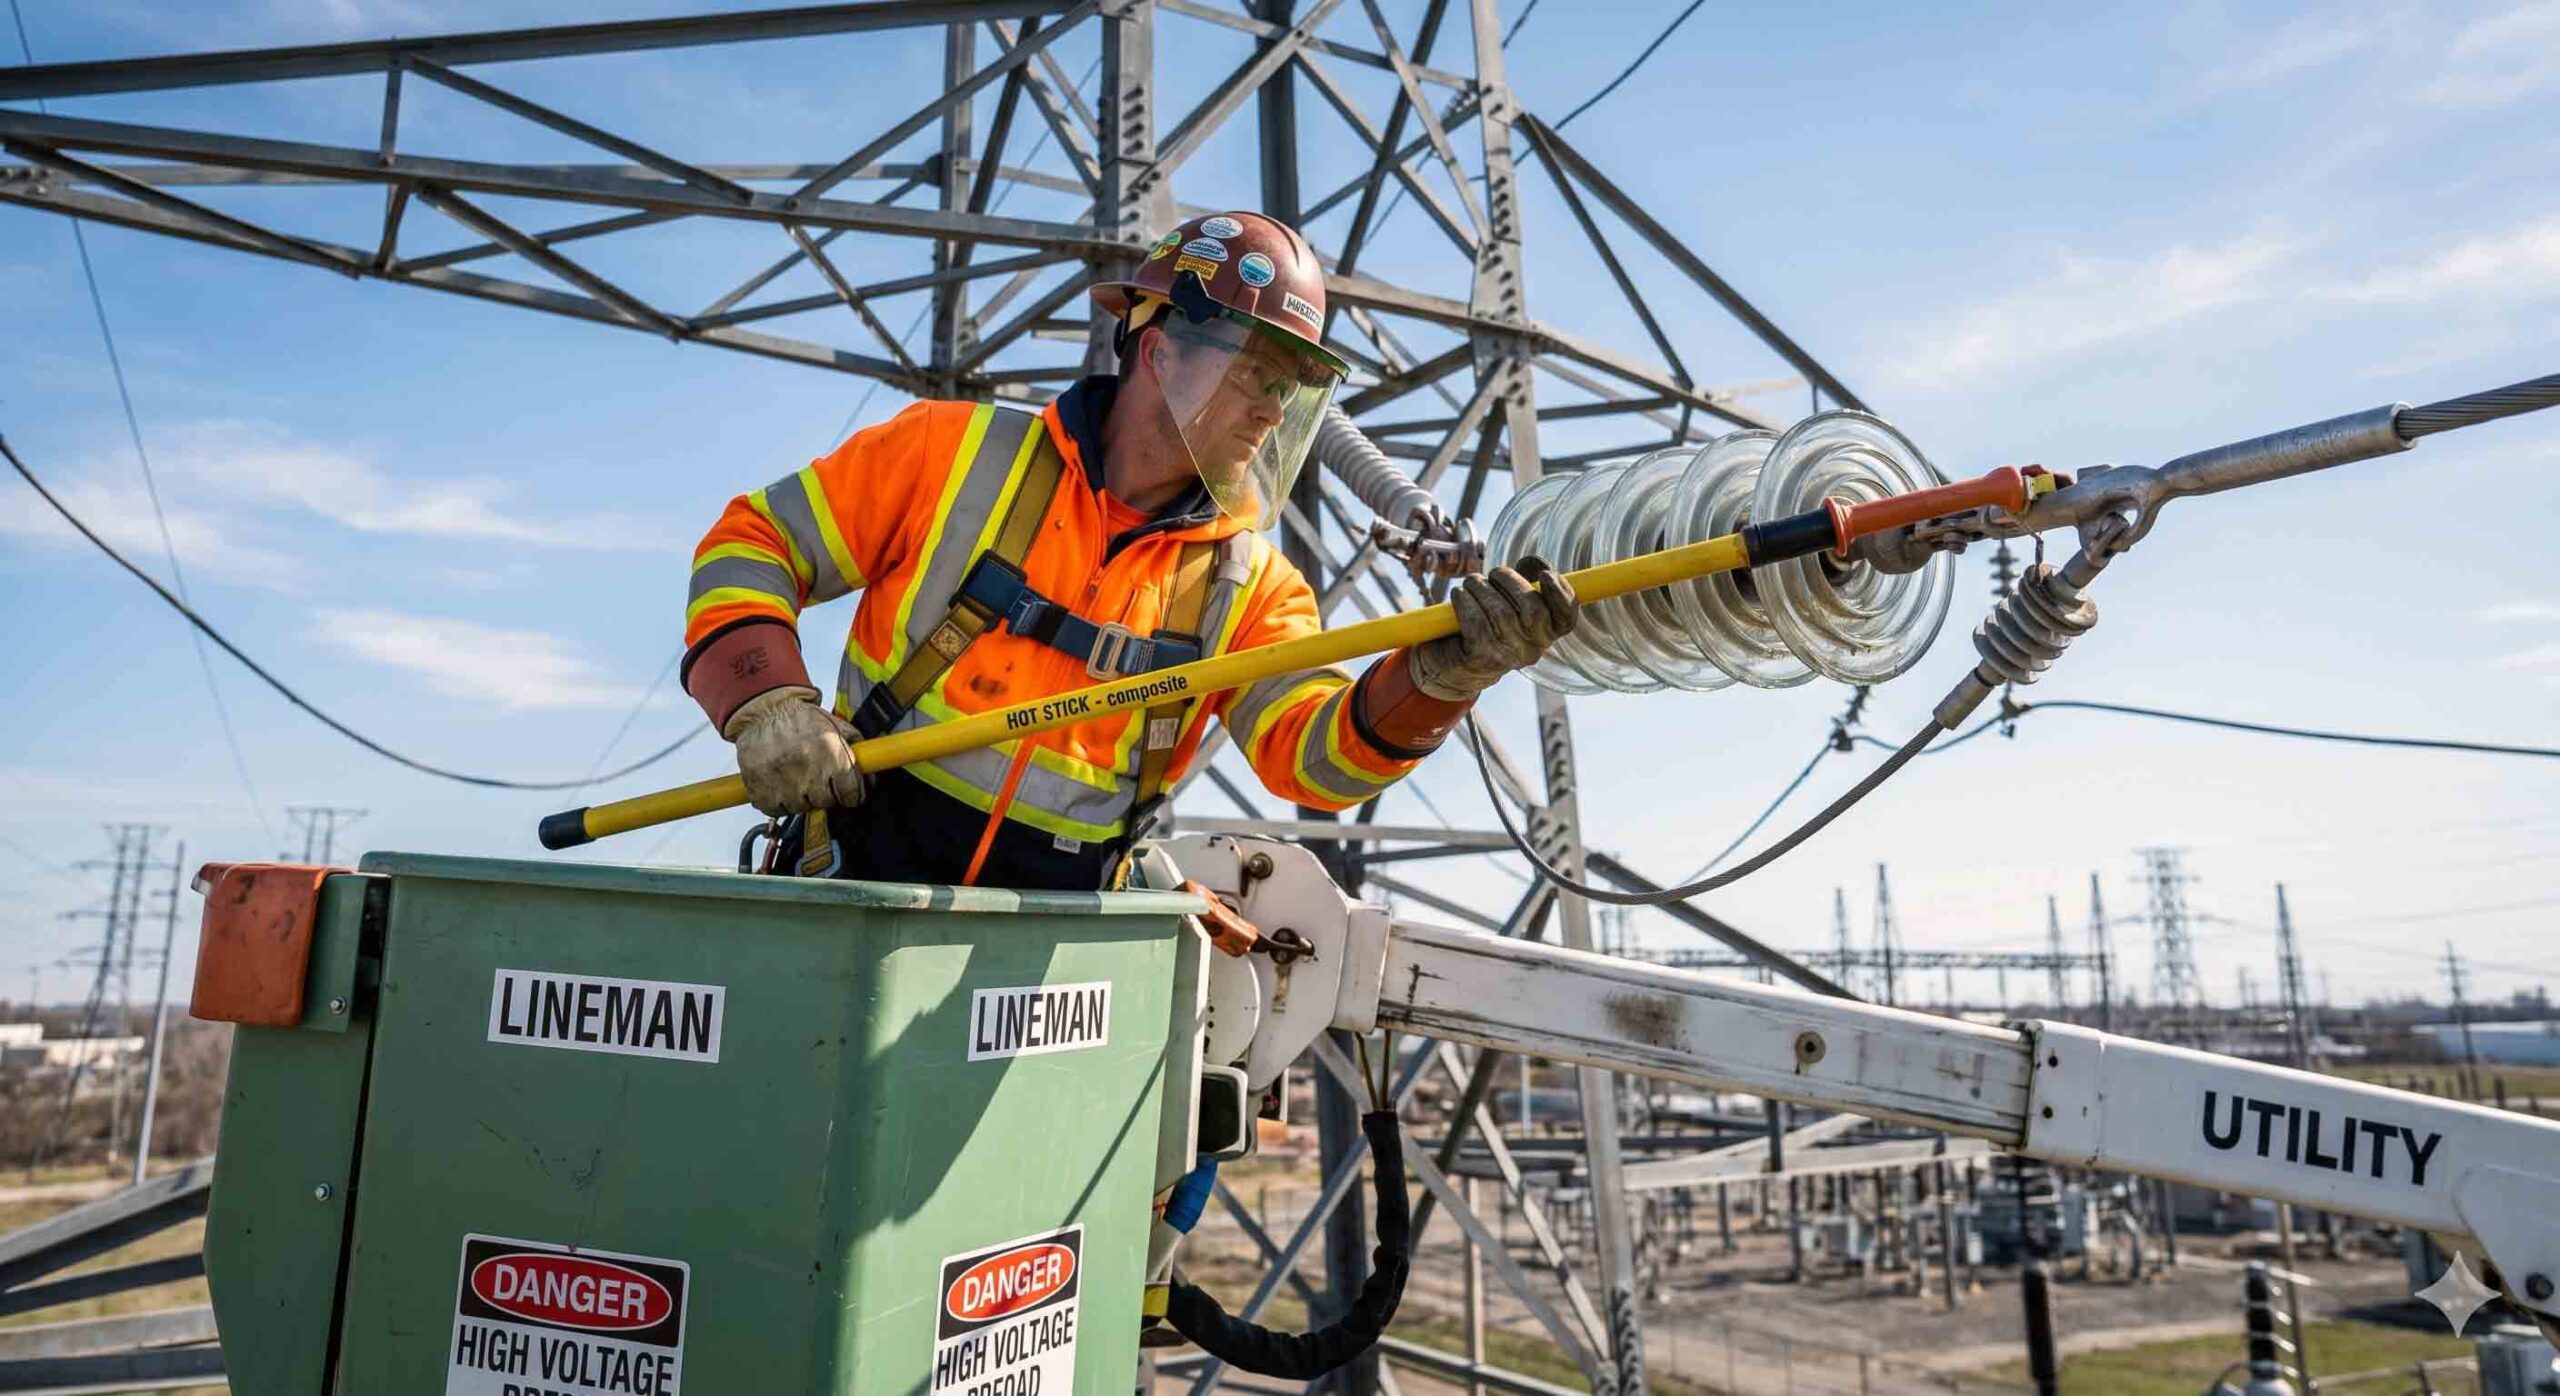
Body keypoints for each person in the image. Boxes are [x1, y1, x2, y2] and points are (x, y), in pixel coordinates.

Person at [680, 211, 1577, 890]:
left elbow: (1317, 764)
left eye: (1289, 390)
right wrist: (768, 703)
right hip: (861, 884)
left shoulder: (1249, 584)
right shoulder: (950, 454)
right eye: (1254, 374)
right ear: (1159, 348)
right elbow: (751, 542)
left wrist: (1443, 677)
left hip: (1057, 961)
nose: (1270, 412)